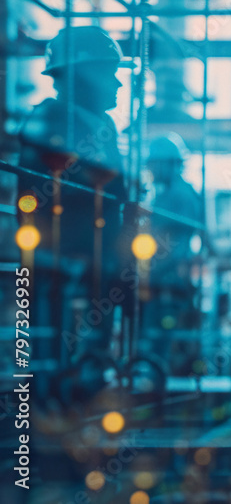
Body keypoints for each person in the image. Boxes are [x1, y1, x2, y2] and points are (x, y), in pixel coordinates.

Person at [17, 26, 129, 404]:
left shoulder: (104, 127)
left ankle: (85, 385)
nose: (117, 83)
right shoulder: (48, 121)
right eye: (107, 72)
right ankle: (50, 398)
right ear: (80, 74)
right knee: (53, 333)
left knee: (92, 329)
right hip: (62, 254)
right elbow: (61, 184)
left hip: (98, 253)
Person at [144, 133, 204, 371]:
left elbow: (172, 242)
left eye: (155, 164)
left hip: (169, 278)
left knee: (161, 334)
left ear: (169, 164)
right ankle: (155, 371)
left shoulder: (180, 195)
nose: (152, 170)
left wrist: (152, 268)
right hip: (165, 276)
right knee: (159, 333)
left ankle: (157, 375)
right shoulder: (169, 194)